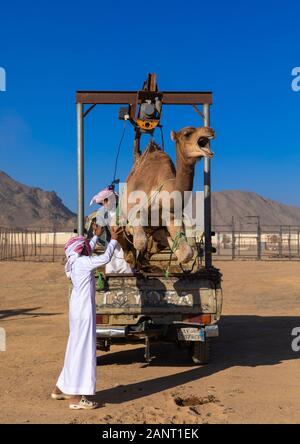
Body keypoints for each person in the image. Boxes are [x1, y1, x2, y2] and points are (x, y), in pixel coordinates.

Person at [51, 226, 120, 410]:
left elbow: (86, 247)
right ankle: (76, 398)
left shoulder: (73, 261)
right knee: (83, 350)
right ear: (79, 250)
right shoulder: (82, 262)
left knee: (74, 347)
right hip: (83, 311)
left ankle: (60, 388)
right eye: (84, 248)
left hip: (77, 310)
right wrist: (113, 239)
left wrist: (95, 237)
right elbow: (104, 258)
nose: (86, 249)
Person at [90, 186, 132, 274]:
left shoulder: (123, 210)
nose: (104, 204)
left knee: (125, 266)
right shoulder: (101, 212)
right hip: (110, 243)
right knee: (111, 265)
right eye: (102, 203)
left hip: (124, 244)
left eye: (106, 201)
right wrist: (96, 231)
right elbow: (100, 230)